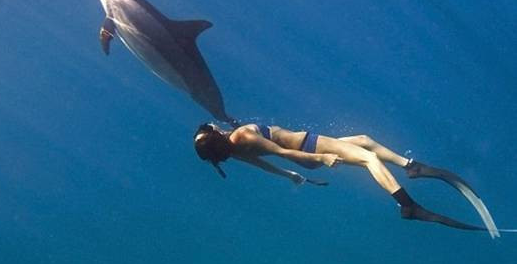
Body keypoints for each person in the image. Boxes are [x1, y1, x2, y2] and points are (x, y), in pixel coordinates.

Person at [193, 122, 500, 238]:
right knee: (369, 159)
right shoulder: (243, 136)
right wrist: (320, 160)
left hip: (310, 151)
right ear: (217, 135)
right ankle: (408, 205)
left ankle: (412, 166)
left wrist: (292, 176)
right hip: (310, 148)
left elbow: (265, 165)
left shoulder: (234, 151)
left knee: (364, 139)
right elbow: (282, 150)